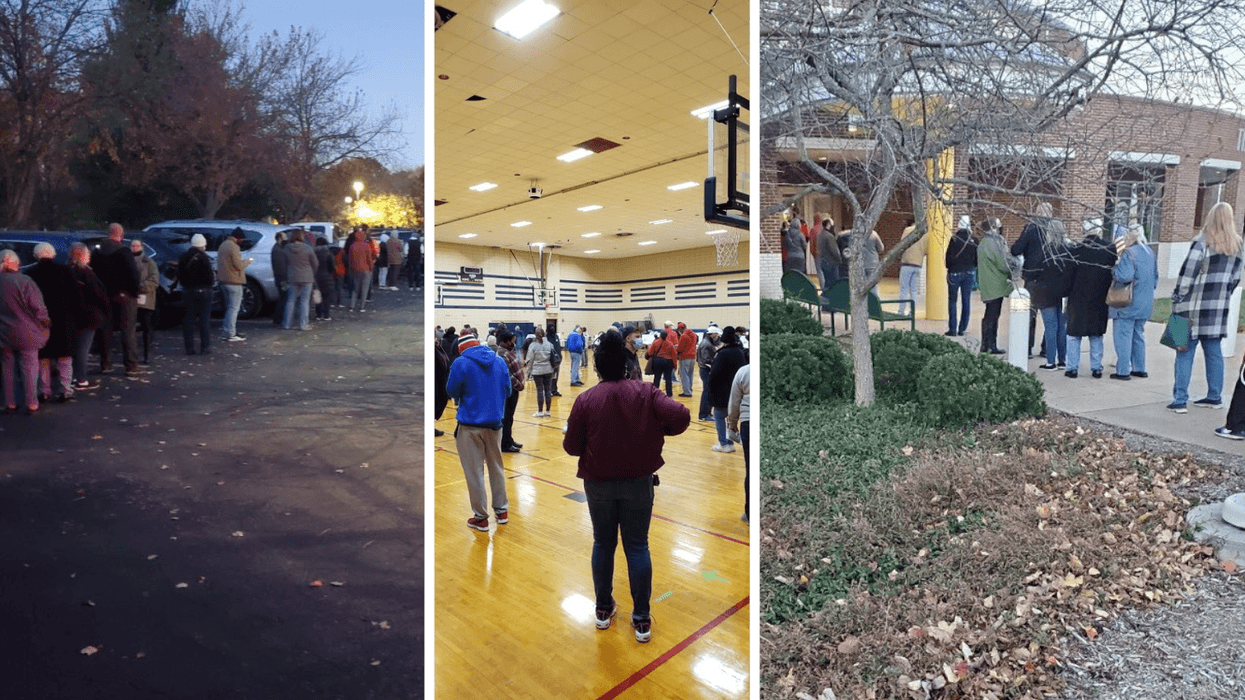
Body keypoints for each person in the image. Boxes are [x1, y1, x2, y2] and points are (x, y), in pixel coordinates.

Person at [563, 329, 690, 643]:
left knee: (602, 544)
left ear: (597, 368)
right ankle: (642, 619)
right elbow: (682, 417)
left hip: (598, 484)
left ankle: (603, 610)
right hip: (637, 482)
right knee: (637, 546)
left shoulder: (585, 399)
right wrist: (655, 432)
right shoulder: (645, 393)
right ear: (625, 364)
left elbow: (571, 447)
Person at [1168, 201, 1243, 413]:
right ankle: (1214, 396)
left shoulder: (1201, 243)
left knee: (1183, 352)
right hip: (1216, 310)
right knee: (1214, 353)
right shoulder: (1237, 246)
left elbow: (1186, 276)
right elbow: (1235, 279)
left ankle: (1180, 399)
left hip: (1189, 308)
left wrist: (1177, 296)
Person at [446, 332, 512, 531]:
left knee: (474, 472)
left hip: (470, 425)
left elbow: (452, 391)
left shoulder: (461, 363)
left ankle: (481, 517)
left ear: (461, 349)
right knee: (497, 467)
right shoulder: (499, 361)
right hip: (495, 424)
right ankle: (502, 511)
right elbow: (508, 390)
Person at [26, 243, 80, 403]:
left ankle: (45, 390)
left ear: (36, 256)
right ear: (53, 255)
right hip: (64, 321)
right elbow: (76, 297)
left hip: (40, 322)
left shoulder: (30, 274)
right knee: (65, 359)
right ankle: (66, 389)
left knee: (43, 359)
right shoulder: (65, 271)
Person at [1063, 221, 1117, 378]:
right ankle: (1096, 368)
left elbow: (1068, 276)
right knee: (1096, 334)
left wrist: (1066, 293)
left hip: (1077, 298)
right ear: (1099, 231)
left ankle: (1072, 368)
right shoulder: (1109, 249)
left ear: (1084, 231)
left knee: (1074, 335)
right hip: (1099, 298)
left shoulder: (1076, 250)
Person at [0, 250, 50, 414]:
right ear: (13, 263)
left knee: (7, 366)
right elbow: (38, 308)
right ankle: (32, 402)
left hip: (3, 331)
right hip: (26, 331)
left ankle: (10, 402)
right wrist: (45, 324)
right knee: (29, 366)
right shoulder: (25, 281)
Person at [1108, 223, 1158, 380]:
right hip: (1145, 302)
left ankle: (1123, 370)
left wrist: (1114, 271)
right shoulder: (1150, 253)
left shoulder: (1129, 254)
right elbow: (1155, 278)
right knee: (1138, 335)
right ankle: (1139, 367)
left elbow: (1124, 276)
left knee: (1123, 335)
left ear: (1130, 237)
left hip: (1128, 303)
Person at [91, 222, 142, 374]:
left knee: (105, 330)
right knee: (128, 330)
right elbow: (133, 275)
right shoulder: (124, 252)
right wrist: (134, 292)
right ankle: (131, 365)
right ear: (121, 234)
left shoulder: (97, 253)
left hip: (104, 295)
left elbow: (93, 274)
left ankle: (105, 363)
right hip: (124, 296)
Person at [1012, 203, 1056, 357]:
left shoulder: (1031, 229)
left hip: (1032, 277)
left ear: (1037, 213)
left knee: (1029, 314)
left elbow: (1016, 249)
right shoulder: (1055, 229)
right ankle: (1046, 348)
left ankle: (1027, 347)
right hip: (1051, 278)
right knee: (1050, 315)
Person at [67, 244, 106, 391]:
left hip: (72, 315)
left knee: (74, 349)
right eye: (87, 254)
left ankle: (70, 377)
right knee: (83, 349)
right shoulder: (86, 273)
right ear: (82, 256)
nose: (89, 256)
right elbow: (98, 294)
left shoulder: (67, 271)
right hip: (88, 316)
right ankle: (81, 379)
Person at [976, 218, 1014, 354]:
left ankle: (985, 344)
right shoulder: (994, 243)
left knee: (988, 315)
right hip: (995, 284)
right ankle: (991, 345)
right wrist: (1014, 265)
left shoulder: (984, 243)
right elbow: (1003, 264)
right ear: (993, 227)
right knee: (993, 315)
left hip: (988, 284)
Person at [708, 326, 747, 452]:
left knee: (719, 415)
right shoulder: (740, 353)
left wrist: (710, 390)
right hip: (737, 391)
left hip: (722, 392)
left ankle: (725, 444)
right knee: (731, 418)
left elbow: (714, 375)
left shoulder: (722, 354)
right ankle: (731, 441)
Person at [177, 234, 215, 356]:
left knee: (189, 320)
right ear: (203, 245)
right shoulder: (204, 258)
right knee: (204, 320)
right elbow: (210, 278)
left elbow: (180, 275)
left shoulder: (184, 257)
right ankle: (205, 346)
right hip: (204, 291)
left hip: (188, 291)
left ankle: (189, 347)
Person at [944, 215, 978, 337]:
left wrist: (950, 268)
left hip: (954, 272)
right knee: (966, 300)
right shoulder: (974, 240)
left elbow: (948, 258)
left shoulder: (954, 239)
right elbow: (977, 259)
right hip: (969, 273)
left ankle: (952, 328)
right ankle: (962, 328)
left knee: (952, 301)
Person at [217, 227, 252, 342]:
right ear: (239, 238)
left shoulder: (223, 245)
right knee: (234, 309)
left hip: (223, 281)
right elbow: (238, 266)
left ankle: (226, 331)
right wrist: (247, 261)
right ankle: (230, 333)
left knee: (229, 308)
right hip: (234, 281)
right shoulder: (234, 247)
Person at [726, 363, 750, 524]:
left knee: (751, 469)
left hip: (748, 422)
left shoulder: (744, 371)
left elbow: (734, 401)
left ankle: (750, 514)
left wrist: (732, 423)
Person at [282, 230, 317, 331]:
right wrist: (312, 272)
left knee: (290, 300)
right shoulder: (308, 248)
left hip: (292, 277)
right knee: (304, 301)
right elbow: (315, 263)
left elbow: (284, 262)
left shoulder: (287, 248)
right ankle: (303, 325)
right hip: (307, 277)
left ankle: (287, 324)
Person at [131, 239, 158, 364]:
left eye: (137, 245)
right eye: (132, 245)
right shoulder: (127, 260)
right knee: (130, 327)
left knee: (146, 327)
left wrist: (140, 286)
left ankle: (147, 353)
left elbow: (154, 281)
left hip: (145, 299)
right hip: (131, 298)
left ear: (142, 247)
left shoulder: (149, 262)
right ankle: (132, 354)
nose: (135, 247)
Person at [497, 330, 524, 452]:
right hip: (508, 389)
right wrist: (518, 384)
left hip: (513, 389)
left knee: (510, 417)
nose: (514, 343)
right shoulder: (502, 353)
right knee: (506, 417)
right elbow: (506, 374)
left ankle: (509, 439)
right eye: (512, 341)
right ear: (506, 341)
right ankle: (505, 443)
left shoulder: (508, 351)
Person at [525, 326, 555, 417]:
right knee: (548, 390)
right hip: (548, 370)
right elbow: (553, 357)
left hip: (537, 371)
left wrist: (527, 373)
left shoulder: (533, 345)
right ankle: (548, 411)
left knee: (540, 391)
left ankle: (540, 411)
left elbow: (530, 360)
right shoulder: (549, 344)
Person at [897, 219, 924, 316]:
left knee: (904, 289)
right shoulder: (924, 233)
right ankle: (912, 312)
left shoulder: (907, 230)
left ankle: (901, 312)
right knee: (913, 290)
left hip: (907, 264)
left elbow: (901, 245)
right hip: (918, 265)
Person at [347, 227, 376, 312]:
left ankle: (352, 306)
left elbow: (350, 259)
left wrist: (351, 269)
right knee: (364, 289)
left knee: (355, 289)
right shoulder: (366, 246)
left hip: (356, 270)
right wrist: (371, 268)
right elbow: (369, 259)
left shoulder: (352, 246)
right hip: (366, 270)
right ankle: (362, 307)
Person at [697, 326, 721, 420]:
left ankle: (707, 413)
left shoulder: (707, 342)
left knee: (708, 391)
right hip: (706, 370)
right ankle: (704, 414)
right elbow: (706, 360)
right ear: (713, 334)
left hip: (705, 369)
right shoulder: (706, 344)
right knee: (707, 392)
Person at [647, 326, 678, 397]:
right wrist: (675, 365)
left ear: (660, 335)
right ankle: (669, 394)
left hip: (657, 361)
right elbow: (674, 355)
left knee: (657, 378)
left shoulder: (655, 343)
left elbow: (650, 352)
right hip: (668, 362)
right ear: (667, 336)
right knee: (668, 379)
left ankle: (654, 393)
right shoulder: (670, 344)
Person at [816, 216, 843, 296]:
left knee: (827, 283)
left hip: (823, 262)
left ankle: (826, 300)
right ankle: (832, 300)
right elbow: (835, 251)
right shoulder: (829, 236)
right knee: (833, 283)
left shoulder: (820, 235)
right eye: (832, 224)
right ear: (828, 224)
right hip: (831, 263)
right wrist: (840, 261)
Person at [313, 237, 335, 321]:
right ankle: (326, 315)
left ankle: (318, 314)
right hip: (327, 276)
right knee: (326, 297)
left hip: (316, 277)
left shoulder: (313, 253)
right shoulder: (329, 253)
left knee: (317, 295)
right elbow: (332, 266)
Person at [270, 230, 289, 326]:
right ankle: (278, 318)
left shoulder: (278, 248)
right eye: (284, 237)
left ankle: (278, 318)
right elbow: (280, 266)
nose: (286, 239)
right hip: (282, 279)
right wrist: (285, 278)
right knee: (283, 297)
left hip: (281, 278)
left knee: (283, 297)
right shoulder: (278, 250)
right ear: (280, 238)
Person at [675, 322, 697, 397]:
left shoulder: (684, 336)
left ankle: (687, 392)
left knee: (684, 374)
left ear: (681, 328)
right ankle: (689, 389)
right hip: (693, 357)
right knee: (690, 374)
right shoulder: (694, 335)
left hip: (685, 357)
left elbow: (680, 348)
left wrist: (676, 349)